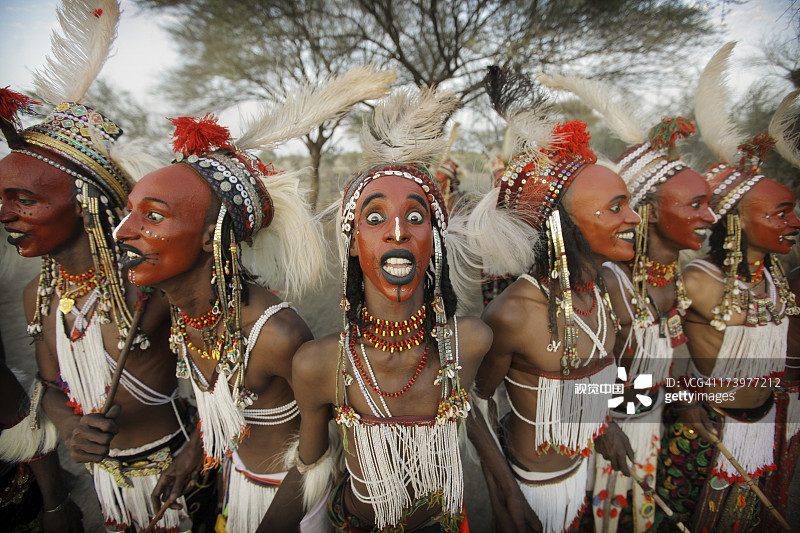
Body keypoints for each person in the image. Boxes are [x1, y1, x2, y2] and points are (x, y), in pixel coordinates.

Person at [115, 67, 393, 533]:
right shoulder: (184, 315)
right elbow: (224, 409)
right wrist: (189, 457)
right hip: (234, 484)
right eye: (128, 215)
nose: (123, 233)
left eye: (153, 216)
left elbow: (325, 440)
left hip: (288, 504)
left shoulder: (276, 335)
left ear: (210, 237)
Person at [260, 86, 493, 533]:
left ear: (435, 243)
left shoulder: (471, 343)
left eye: (416, 217)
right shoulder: (318, 364)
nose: (397, 232)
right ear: (353, 246)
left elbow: (474, 415)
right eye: (374, 218)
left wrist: (507, 494)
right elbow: (310, 464)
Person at [0, 2, 189, 531]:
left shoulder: (153, 283)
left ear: (84, 200)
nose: (5, 215)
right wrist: (68, 424)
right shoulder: (37, 293)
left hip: (175, 475)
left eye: (23, 199)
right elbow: (50, 383)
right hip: (106, 489)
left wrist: (198, 453)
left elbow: (236, 383)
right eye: (1, 200)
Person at [537, 73, 716, 532]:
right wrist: (606, 425)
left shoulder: (675, 280)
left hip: (649, 429)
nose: (709, 217)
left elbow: (664, 361)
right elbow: (576, 373)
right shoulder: (609, 282)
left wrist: (680, 398)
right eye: (694, 205)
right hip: (602, 442)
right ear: (652, 210)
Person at [466, 67, 638, 533]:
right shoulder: (514, 313)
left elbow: (594, 373)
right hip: (531, 487)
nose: (636, 219)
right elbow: (476, 403)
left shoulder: (610, 288)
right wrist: (506, 494)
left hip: (580, 469)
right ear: (563, 227)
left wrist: (603, 427)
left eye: (630, 204)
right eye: (616, 208)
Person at [658, 42, 800, 531]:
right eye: (781, 213)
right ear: (737, 220)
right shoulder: (698, 281)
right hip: (706, 434)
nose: (795, 222)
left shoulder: (778, 280)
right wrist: (683, 398)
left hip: (767, 429)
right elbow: (632, 363)